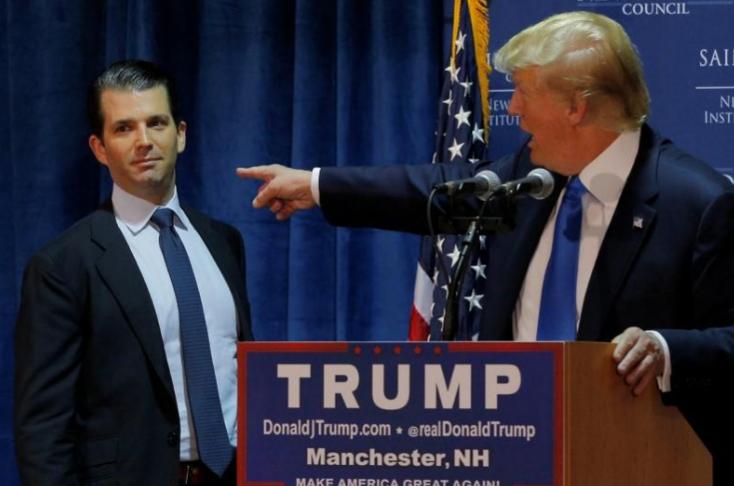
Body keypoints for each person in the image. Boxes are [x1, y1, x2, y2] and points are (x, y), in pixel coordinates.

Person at [236, 11, 734, 484]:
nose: (512, 108)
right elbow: (435, 191)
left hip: (636, 463)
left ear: (576, 107)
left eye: (523, 91)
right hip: (517, 456)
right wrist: (316, 186)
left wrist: (665, 348)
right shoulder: (534, 175)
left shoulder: (698, 203)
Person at [14, 60, 253, 486]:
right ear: (99, 148)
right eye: (124, 128)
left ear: (180, 134)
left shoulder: (224, 242)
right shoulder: (63, 265)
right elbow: (43, 430)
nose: (144, 141)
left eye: (156, 123)